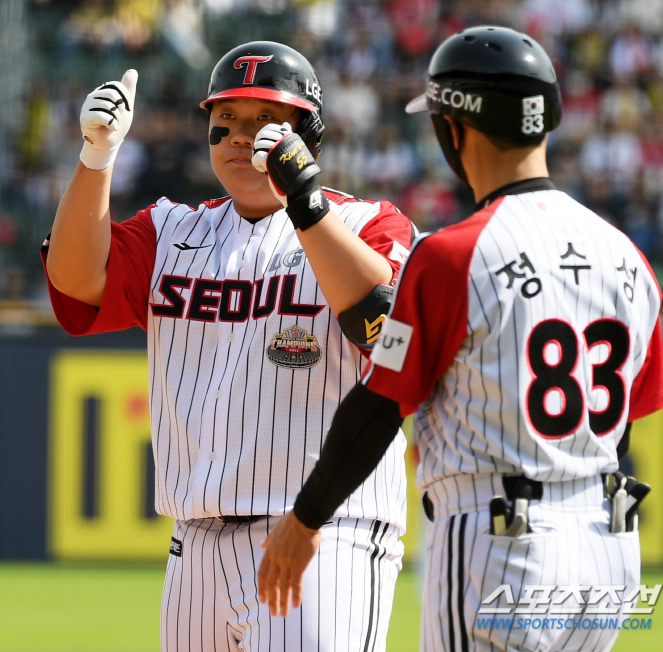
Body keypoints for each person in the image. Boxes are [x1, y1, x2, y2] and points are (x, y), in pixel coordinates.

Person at [258, 26, 663, 652]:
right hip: (607, 546)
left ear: (454, 129)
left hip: (501, 540)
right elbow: (623, 425)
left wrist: (306, 518)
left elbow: (378, 405)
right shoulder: (628, 258)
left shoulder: (455, 256)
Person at [42, 41, 413, 652]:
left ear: (308, 132)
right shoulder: (170, 230)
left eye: (267, 119)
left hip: (325, 533)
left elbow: (387, 325)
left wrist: (306, 202)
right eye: (228, 121)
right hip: (196, 544)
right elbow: (75, 279)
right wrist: (96, 157)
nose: (242, 136)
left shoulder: (369, 224)